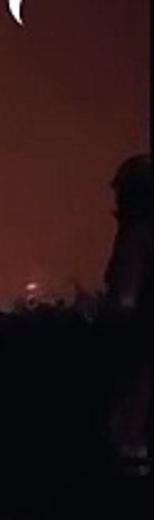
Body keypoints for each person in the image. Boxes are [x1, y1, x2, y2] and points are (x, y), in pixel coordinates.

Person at [100, 153, 153, 477]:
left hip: (139, 332)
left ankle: (130, 457)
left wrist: (117, 313)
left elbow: (125, 291)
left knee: (134, 393)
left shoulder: (137, 235)